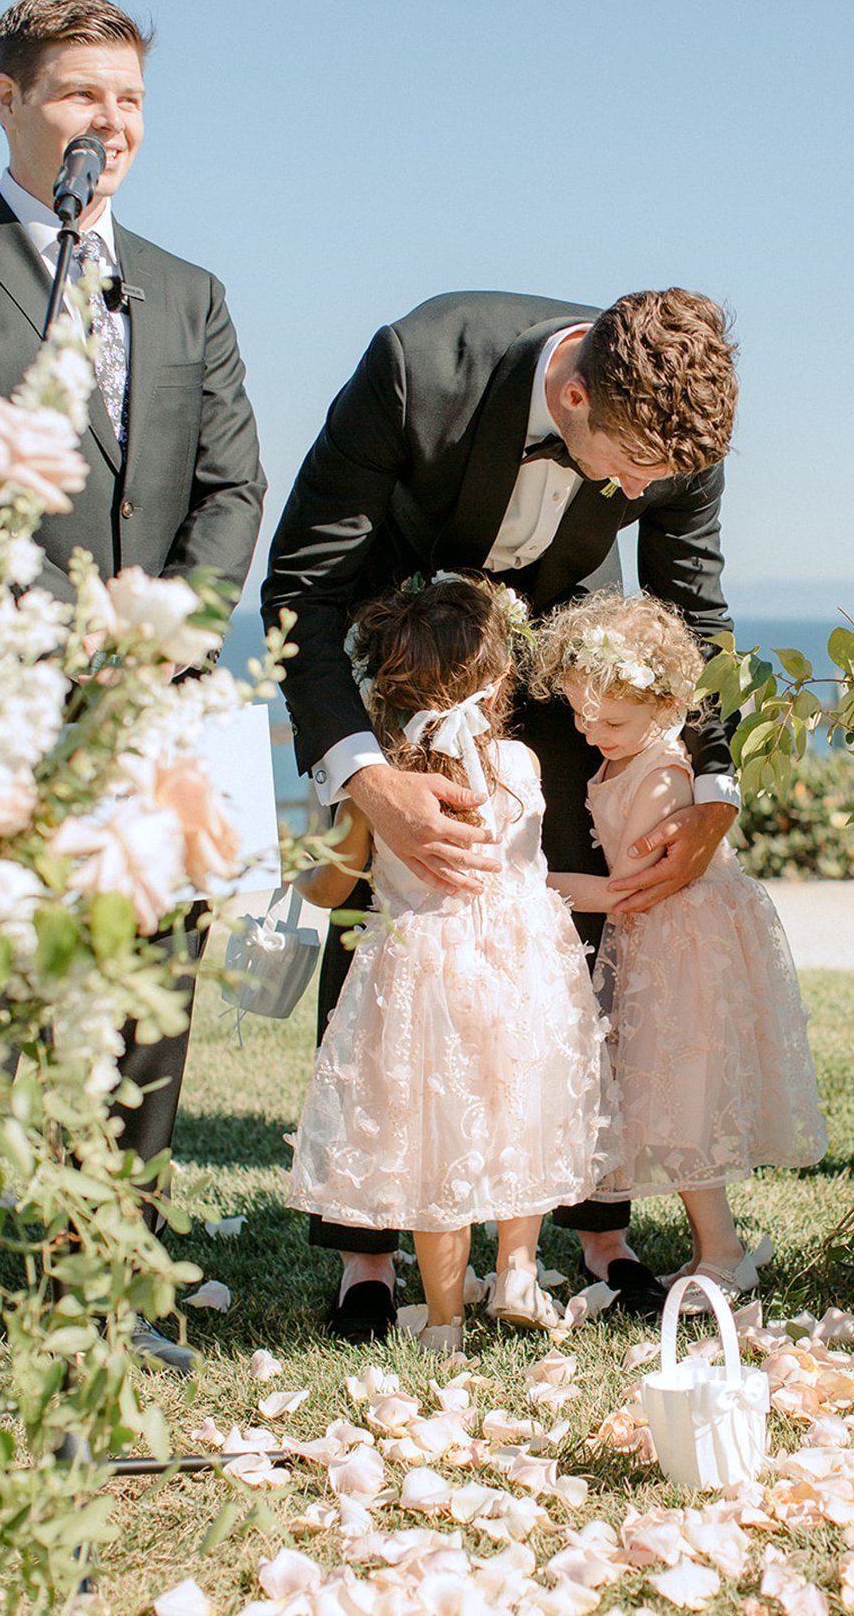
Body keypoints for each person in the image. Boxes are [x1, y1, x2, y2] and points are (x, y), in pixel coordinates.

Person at [263, 287, 740, 1342]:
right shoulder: (416, 366)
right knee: (394, 934)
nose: (641, 492)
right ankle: (367, 1247)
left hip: (566, 661)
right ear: (572, 391)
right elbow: (304, 579)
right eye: (630, 471)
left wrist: (715, 786)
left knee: (569, 936)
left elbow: (692, 609)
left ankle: (597, 1234)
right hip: (417, 650)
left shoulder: (674, 430)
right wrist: (364, 775)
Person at [0, 0, 266, 1372]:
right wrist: (31, 639)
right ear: (10, 101)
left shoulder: (189, 287)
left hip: (153, 702)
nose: (113, 124)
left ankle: (116, 1287)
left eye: (130, 98)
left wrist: (164, 638)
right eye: (84, 95)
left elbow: (230, 483)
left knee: (151, 992)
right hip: (0, 694)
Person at [287, 576, 616, 1353]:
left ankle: (442, 1321)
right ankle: (519, 1272)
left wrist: (304, 867)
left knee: (441, 1141)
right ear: (500, 679)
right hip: (523, 967)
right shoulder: (522, 765)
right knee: (519, 1115)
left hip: (426, 975)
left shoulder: (385, 789)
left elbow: (333, 885)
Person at [530, 591, 827, 1298]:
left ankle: (723, 1248)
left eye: (610, 719)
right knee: (669, 1101)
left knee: (685, 1100)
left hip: (684, 947)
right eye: (577, 711)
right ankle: (716, 1246)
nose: (589, 729)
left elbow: (629, 887)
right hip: (657, 943)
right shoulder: (624, 751)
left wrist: (532, 881)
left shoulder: (662, 774)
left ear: (667, 706)